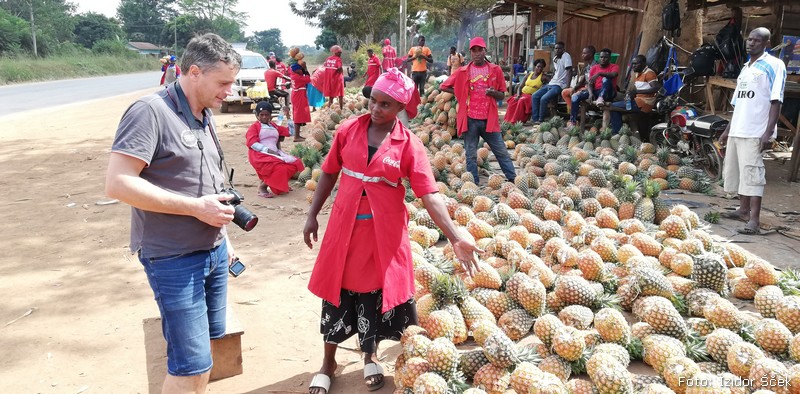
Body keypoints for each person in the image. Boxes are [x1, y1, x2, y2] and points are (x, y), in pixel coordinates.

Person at [303, 67, 482, 394]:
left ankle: (370, 356)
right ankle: (328, 361)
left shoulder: (409, 144)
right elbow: (328, 173)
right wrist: (312, 214)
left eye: (386, 104)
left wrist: (455, 236)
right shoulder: (347, 130)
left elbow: (429, 194)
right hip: (344, 228)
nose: (376, 108)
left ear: (401, 108)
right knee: (337, 290)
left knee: (373, 291)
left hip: (382, 233)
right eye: (373, 100)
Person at [105, 33, 241, 394]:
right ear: (194, 71)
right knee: (189, 365)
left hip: (212, 253)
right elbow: (117, 183)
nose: (230, 90)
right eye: (223, 82)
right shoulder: (150, 111)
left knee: (207, 352)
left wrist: (224, 239)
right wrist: (196, 208)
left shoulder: (202, 113)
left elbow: (208, 185)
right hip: (174, 259)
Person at [719, 27, 786, 235]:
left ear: (766, 43)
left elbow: (776, 101)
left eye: (757, 41)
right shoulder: (746, 68)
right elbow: (737, 104)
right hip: (738, 128)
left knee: (753, 174)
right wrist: (726, 131)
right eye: (749, 39)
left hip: (756, 131)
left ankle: (754, 221)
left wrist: (768, 132)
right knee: (738, 172)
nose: (751, 43)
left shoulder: (775, 65)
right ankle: (742, 210)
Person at [440, 37, 516, 185]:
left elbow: (502, 94)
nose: (477, 53)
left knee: (501, 151)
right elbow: (443, 86)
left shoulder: (495, 70)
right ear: (470, 52)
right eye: (474, 50)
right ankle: (473, 184)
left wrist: (493, 93)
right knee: (471, 154)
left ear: (484, 51)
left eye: (479, 50)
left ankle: (513, 179)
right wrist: (460, 92)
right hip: (470, 119)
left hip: (489, 119)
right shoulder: (463, 71)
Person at [246, 101, 305, 198]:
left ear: (270, 115)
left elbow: (292, 132)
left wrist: (288, 116)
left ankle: (279, 183)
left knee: (296, 163)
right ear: (257, 116)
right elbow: (252, 143)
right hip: (259, 154)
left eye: (266, 115)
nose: (264, 117)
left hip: (275, 154)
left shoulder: (274, 126)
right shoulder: (255, 127)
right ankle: (262, 187)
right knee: (280, 168)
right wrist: (268, 151)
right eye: (262, 115)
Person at [609, 55, 660, 133]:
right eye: (633, 64)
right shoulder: (637, 73)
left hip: (645, 103)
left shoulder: (649, 73)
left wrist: (637, 92)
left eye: (636, 64)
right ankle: (619, 131)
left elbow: (656, 88)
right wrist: (629, 96)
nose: (633, 66)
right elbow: (638, 89)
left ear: (643, 64)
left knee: (613, 107)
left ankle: (617, 132)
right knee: (615, 105)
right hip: (638, 101)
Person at [568, 48, 619, 125]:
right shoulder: (594, 68)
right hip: (596, 91)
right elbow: (590, 83)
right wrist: (591, 93)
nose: (603, 59)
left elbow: (613, 75)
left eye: (605, 57)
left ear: (609, 58)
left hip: (609, 93)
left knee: (606, 79)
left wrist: (599, 74)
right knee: (575, 97)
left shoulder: (614, 66)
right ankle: (573, 122)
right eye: (601, 57)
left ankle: (601, 98)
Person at [530, 41, 573, 124]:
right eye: (556, 48)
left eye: (559, 48)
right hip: (551, 83)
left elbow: (569, 71)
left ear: (563, 49)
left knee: (544, 99)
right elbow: (556, 71)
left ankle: (541, 120)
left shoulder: (566, 56)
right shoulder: (555, 58)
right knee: (535, 96)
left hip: (559, 85)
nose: (557, 50)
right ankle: (535, 119)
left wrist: (567, 85)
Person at [504, 59, 547, 124]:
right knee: (513, 100)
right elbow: (520, 86)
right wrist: (518, 95)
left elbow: (551, 81)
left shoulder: (543, 77)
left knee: (521, 101)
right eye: (538, 66)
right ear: (535, 66)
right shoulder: (528, 75)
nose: (539, 68)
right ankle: (507, 120)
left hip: (530, 96)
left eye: (541, 67)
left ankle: (517, 121)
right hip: (522, 94)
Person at [562, 46, 596, 116]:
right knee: (565, 92)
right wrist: (574, 88)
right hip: (584, 88)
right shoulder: (586, 67)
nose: (582, 55)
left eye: (584, 53)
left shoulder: (596, 66)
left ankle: (574, 117)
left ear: (591, 54)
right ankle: (577, 112)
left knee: (575, 96)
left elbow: (594, 83)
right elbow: (581, 81)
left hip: (591, 89)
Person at [290, 58, 311, 142]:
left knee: (297, 114)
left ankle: (298, 135)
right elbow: (308, 79)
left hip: (296, 95)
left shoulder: (294, 75)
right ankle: (296, 136)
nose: (301, 70)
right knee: (298, 116)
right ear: (297, 70)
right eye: (300, 69)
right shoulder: (298, 77)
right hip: (299, 96)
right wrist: (305, 69)